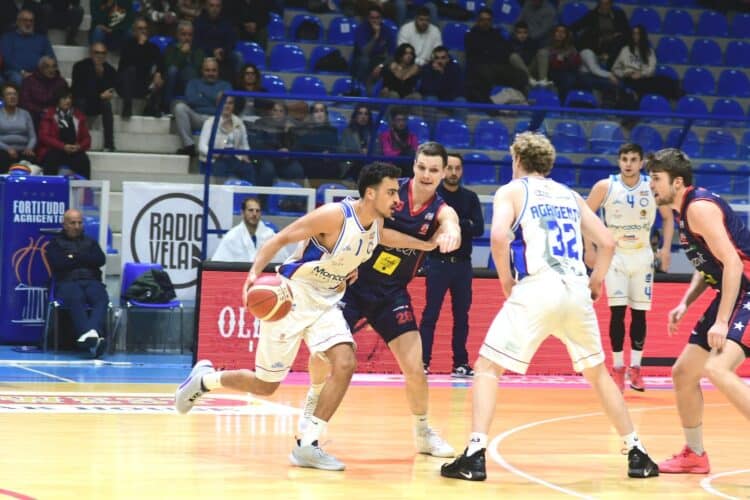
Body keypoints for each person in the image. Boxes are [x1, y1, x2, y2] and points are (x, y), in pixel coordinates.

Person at [175, 162, 425, 471]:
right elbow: (281, 238)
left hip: (326, 303)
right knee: (265, 385)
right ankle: (205, 380)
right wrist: (253, 274)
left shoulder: (375, 224)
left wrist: (353, 268)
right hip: (292, 297)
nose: (397, 199)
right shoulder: (335, 215)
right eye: (391, 192)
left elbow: (364, 247)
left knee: (345, 363)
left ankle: (308, 444)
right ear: (371, 193)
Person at [440, 132, 659, 481]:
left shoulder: (512, 190)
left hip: (539, 288)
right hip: (576, 290)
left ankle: (475, 453)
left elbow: (498, 237)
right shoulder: (570, 195)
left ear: (517, 159)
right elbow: (606, 242)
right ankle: (637, 451)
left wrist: (505, 280)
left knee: (487, 368)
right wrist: (596, 282)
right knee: (598, 373)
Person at [303, 142, 462, 458]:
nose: (426, 175)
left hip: (391, 292)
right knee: (323, 355)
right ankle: (313, 399)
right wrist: (425, 245)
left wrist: (451, 234)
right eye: (421, 167)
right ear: (413, 165)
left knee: (415, 366)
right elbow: (377, 231)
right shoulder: (390, 190)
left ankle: (423, 433)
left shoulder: (442, 209)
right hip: (353, 282)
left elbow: (451, 223)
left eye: (434, 170)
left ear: (444, 172)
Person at [647, 148, 750, 474]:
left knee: (718, 369)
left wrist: (721, 321)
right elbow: (709, 262)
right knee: (684, 373)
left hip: (747, 288)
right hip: (734, 290)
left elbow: (733, 263)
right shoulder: (684, 211)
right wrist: (685, 302)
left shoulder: (699, 208)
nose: (651, 185)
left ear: (677, 182)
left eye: (656, 178)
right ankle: (694, 455)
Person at [584, 143, 674, 392]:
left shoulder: (651, 186)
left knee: (640, 314)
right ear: (619, 161)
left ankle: (636, 367)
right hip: (615, 256)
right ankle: (617, 367)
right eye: (624, 159)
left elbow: (668, 218)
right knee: (617, 313)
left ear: (641, 163)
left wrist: (666, 249)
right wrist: (589, 249)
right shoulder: (605, 186)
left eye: (634, 159)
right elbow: (584, 216)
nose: (628, 164)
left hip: (643, 256)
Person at [420, 153, 483, 377]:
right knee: (430, 314)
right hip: (437, 263)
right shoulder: (434, 197)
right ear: (444, 169)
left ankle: (461, 363)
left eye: (458, 168)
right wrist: (465, 224)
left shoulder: (470, 197)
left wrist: (454, 224)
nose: (454, 173)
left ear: (462, 171)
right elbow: (428, 227)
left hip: (463, 265)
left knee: (462, 316)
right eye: (450, 168)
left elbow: (479, 229)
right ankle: (422, 362)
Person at [45, 208, 110, 358]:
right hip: (67, 282)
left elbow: (100, 260)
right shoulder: (54, 244)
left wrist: (73, 257)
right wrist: (85, 258)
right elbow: (59, 264)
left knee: (101, 298)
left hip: (91, 280)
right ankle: (92, 334)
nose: (77, 226)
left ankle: (89, 335)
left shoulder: (91, 242)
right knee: (76, 297)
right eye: (73, 223)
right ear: (64, 224)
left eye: (80, 223)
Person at [197, 94, 256, 183]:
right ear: (218, 105)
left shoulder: (239, 122)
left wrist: (245, 154)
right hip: (217, 158)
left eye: (230, 103)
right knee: (221, 169)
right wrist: (213, 153)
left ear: (233, 105)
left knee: (248, 168)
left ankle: (249, 191)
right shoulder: (210, 122)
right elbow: (202, 146)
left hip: (235, 156)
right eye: (224, 103)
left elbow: (245, 144)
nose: (227, 106)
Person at [211, 197, 289, 263]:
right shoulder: (231, 237)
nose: (254, 214)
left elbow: (284, 262)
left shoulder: (271, 235)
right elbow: (218, 263)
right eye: (251, 210)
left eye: (257, 211)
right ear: (242, 213)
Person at [37, 86, 91, 178]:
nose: (68, 101)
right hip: (54, 149)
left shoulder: (78, 115)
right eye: (64, 98)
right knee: (51, 160)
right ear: (58, 100)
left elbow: (87, 138)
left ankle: (84, 187)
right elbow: (44, 136)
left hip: (74, 149)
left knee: (84, 161)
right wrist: (63, 146)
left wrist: (79, 147)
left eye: (69, 98)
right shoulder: (49, 115)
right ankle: (50, 186)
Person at [72, 43, 117, 152]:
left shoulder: (110, 70)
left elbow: (108, 91)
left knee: (106, 104)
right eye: (97, 52)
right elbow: (78, 90)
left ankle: (109, 144)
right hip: (82, 102)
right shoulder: (79, 66)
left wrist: (100, 76)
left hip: (97, 104)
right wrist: (99, 95)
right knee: (81, 101)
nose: (100, 56)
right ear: (91, 53)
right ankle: (77, 141)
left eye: (103, 53)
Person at [0, 10, 56, 86]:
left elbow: (50, 58)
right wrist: (22, 72)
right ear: (18, 22)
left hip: (39, 73)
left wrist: (39, 72)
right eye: (25, 20)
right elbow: (7, 59)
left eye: (31, 21)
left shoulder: (42, 39)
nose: (28, 23)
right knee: (18, 79)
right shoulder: (8, 38)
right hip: (15, 72)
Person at [0, 83, 36, 169]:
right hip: (3, 150)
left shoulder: (25, 114)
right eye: (9, 94)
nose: (12, 97)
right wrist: (7, 149)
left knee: (31, 160)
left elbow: (32, 136)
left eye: (15, 94)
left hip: (23, 150)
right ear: (2, 98)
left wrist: (29, 148)